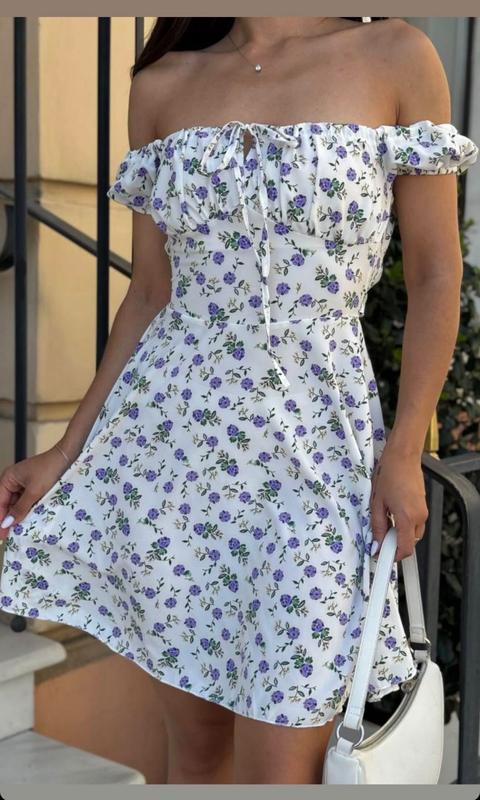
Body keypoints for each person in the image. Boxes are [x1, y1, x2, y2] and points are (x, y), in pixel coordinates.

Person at [0, 16, 478, 785]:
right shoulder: (161, 86)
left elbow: (435, 274)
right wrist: (64, 450)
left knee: (281, 769)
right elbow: (150, 293)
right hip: (174, 454)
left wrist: (403, 449)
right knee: (195, 753)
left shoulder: (395, 56)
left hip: (319, 462)